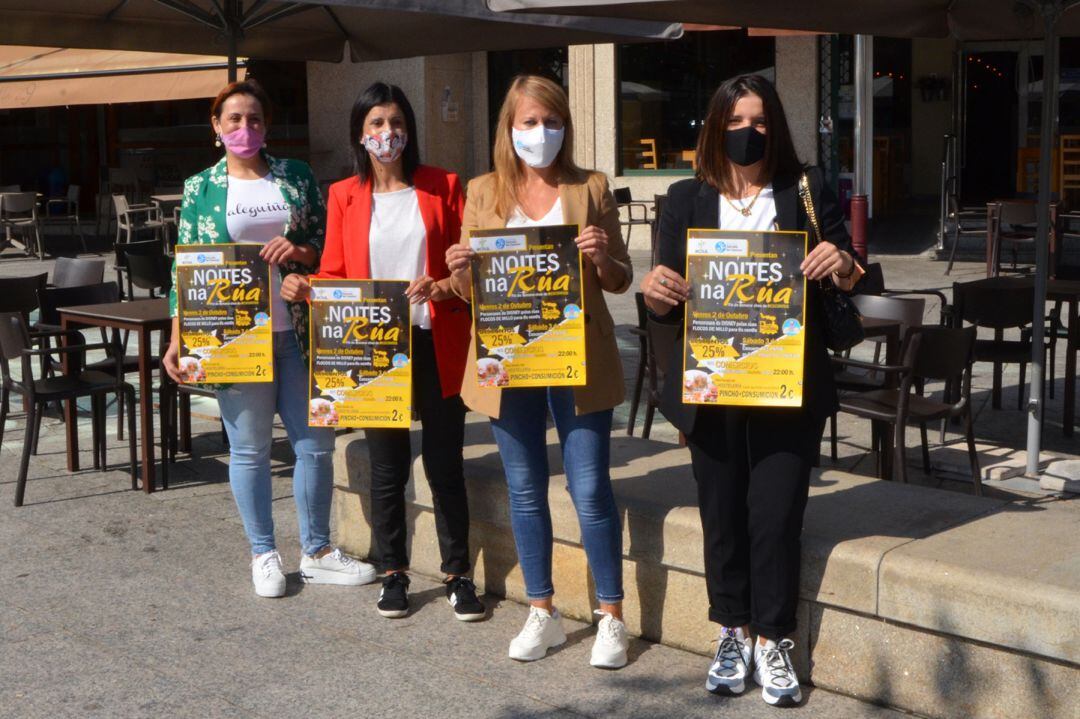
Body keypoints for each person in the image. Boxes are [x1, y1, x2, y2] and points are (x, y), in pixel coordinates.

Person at [641, 74, 863, 707]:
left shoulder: (807, 190)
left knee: (776, 516)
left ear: (777, 126)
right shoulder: (685, 200)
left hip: (785, 385)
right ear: (715, 128)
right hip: (711, 388)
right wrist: (657, 295)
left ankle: (774, 639)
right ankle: (731, 630)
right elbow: (665, 302)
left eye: (760, 120)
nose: (748, 132)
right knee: (722, 518)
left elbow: (851, 271)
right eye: (736, 121)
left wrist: (837, 263)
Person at [446, 75, 633, 669]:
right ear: (509, 128)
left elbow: (621, 278)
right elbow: (469, 289)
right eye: (529, 122)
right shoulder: (482, 192)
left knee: (590, 491)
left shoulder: (591, 186)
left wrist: (603, 256)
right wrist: (459, 268)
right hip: (509, 360)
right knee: (525, 492)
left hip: (577, 358)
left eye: (551, 121)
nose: (541, 132)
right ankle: (543, 609)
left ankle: (611, 617)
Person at [164, 80, 376, 598]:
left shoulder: (296, 177)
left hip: (300, 332)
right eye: (233, 119)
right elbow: (185, 269)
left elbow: (330, 242)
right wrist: (177, 337)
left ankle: (318, 549)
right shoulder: (200, 188)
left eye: (254, 119)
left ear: (268, 125)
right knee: (251, 450)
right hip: (234, 338)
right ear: (216, 127)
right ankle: (263, 552)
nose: (244, 128)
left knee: (316, 445)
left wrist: (300, 252)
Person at [281, 82, 483, 622]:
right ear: (360, 133)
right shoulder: (344, 194)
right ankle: (394, 572)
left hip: (435, 336)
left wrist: (442, 283)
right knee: (387, 467)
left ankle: (458, 574)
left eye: (395, 123)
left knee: (445, 463)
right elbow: (337, 274)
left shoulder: (444, 185)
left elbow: (468, 267)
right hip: (374, 345)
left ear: (408, 130)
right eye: (375, 124)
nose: (386, 133)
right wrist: (306, 285)